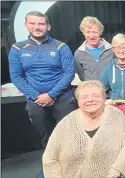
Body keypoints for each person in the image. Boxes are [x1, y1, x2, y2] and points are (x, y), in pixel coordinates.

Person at [8, 11, 77, 148]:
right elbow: (16, 76)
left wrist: (51, 95)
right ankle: (50, 164)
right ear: (26, 25)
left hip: (62, 97)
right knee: (46, 137)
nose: (37, 27)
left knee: (70, 135)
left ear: (48, 27)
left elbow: (69, 73)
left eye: (41, 24)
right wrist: (37, 96)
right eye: (32, 23)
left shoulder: (61, 47)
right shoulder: (17, 48)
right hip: (36, 100)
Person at [42, 80, 125, 178]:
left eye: (95, 95)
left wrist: (115, 173)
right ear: (78, 100)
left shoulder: (117, 117)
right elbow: (49, 158)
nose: (90, 100)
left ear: (104, 98)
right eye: (84, 97)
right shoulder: (66, 123)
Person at [74, 16, 114, 81]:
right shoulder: (79, 54)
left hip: (110, 90)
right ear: (83, 32)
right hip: (90, 90)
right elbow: (81, 76)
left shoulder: (111, 50)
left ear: (100, 32)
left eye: (94, 32)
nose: (92, 36)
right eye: (88, 32)